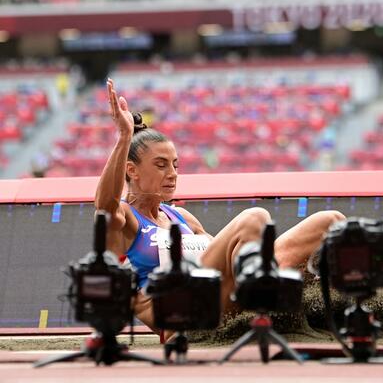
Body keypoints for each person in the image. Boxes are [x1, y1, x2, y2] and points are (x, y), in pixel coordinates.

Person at [96, 79, 345, 341]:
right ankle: (271, 302)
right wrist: (124, 137)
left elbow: (231, 259)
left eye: (176, 165)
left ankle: (316, 307)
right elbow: (105, 205)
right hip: (181, 319)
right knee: (255, 217)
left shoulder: (181, 217)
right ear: (131, 170)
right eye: (161, 165)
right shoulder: (124, 220)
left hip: (224, 299)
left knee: (331, 222)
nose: (172, 174)